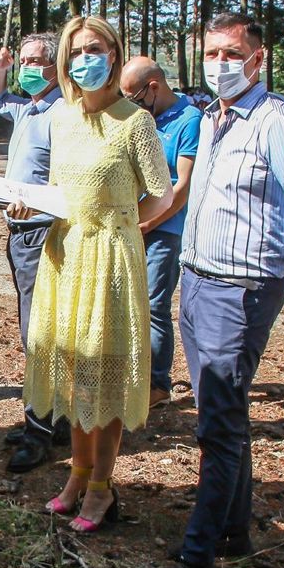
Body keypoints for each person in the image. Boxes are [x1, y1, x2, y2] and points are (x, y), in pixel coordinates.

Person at [147, 13, 284, 568]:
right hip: (197, 281)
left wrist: (264, 265)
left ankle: (197, 559)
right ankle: (235, 530)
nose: (220, 64)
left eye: (232, 53)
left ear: (259, 59)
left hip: (240, 290)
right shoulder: (210, 119)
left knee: (218, 425)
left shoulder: (278, 124)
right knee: (220, 414)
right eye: (211, 53)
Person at [14, 15, 172, 532]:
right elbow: (58, 189)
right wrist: (28, 208)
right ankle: (77, 477)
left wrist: (124, 227)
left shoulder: (136, 122)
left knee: (103, 379)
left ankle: (102, 488)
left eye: (96, 47)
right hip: (64, 254)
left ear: (114, 53)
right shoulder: (60, 117)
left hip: (109, 259)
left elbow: (161, 193)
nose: (86, 58)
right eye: (77, 50)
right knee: (76, 377)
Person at [0, 33, 71, 473]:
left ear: (57, 67)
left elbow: (69, 183)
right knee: (38, 333)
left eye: (37, 61)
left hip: (43, 233)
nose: (28, 67)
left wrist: (34, 202)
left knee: (39, 335)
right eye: (24, 60)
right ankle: (56, 421)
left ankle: (41, 433)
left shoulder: (63, 112)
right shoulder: (27, 107)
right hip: (20, 232)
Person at [120, 57, 202, 411]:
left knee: (153, 305)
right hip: (129, 221)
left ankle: (157, 384)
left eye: (133, 96)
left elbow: (182, 186)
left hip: (164, 228)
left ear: (153, 86)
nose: (130, 103)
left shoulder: (189, 120)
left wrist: (148, 223)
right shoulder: (140, 117)